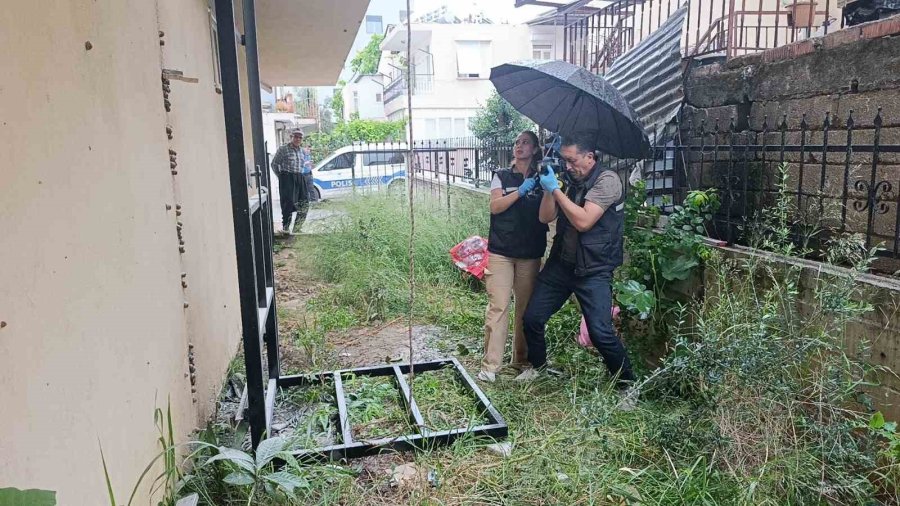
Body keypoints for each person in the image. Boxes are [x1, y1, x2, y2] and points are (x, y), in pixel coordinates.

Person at [516, 132, 637, 404]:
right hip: (562, 264)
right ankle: (539, 368)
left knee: (600, 332)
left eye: (572, 160)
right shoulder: (569, 181)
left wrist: (557, 190)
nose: (568, 166)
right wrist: (550, 188)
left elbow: (583, 221)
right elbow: (545, 217)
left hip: (593, 269)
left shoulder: (608, 181)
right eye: (564, 160)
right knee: (532, 318)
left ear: (590, 157)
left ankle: (627, 385)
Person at [477, 131, 555, 383]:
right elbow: (495, 206)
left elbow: (548, 216)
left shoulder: (542, 177)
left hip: (530, 253)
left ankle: (521, 361)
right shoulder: (501, 176)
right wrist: (520, 191)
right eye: (517, 142)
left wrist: (548, 188)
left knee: (525, 309)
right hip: (501, 251)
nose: (519, 146)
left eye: (525, 143)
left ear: (535, 149)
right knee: (498, 306)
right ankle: (490, 366)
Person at [271, 129, 309, 234]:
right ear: (291, 137)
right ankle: (286, 229)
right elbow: (274, 164)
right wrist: (281, 177)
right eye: (296, 136)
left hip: (299, 177)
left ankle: (297, 228)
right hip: (287, 177)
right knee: (288, 203)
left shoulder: (302, 151)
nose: (298, 139)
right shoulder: (283, 149)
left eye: (300, 137)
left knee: (304, 203)